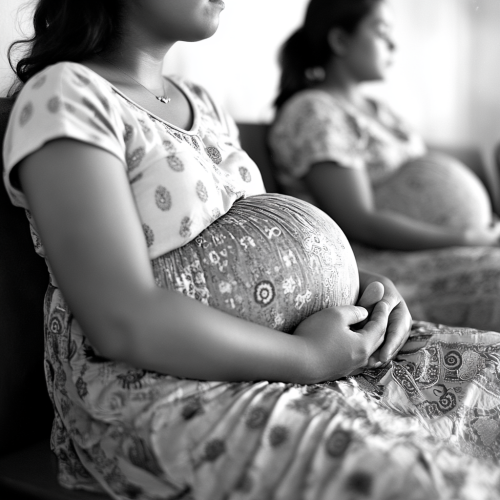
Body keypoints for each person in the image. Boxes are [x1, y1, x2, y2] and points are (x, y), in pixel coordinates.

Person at [3, 1, 500, 499]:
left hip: (301, 354)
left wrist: (369, 285)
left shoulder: (201, 100)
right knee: (428, 485)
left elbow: (268, 235)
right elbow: (119, 319)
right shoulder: (67, 93)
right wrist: (308, 358)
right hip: (169, 384)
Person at [269, 0, 500, 332]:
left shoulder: (382, 112)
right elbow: (360, 221)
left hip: (432, 249)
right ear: (340, 41)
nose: (394, 44)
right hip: (379, 263)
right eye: (382, 32)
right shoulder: (314, 112)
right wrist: (465, 236)